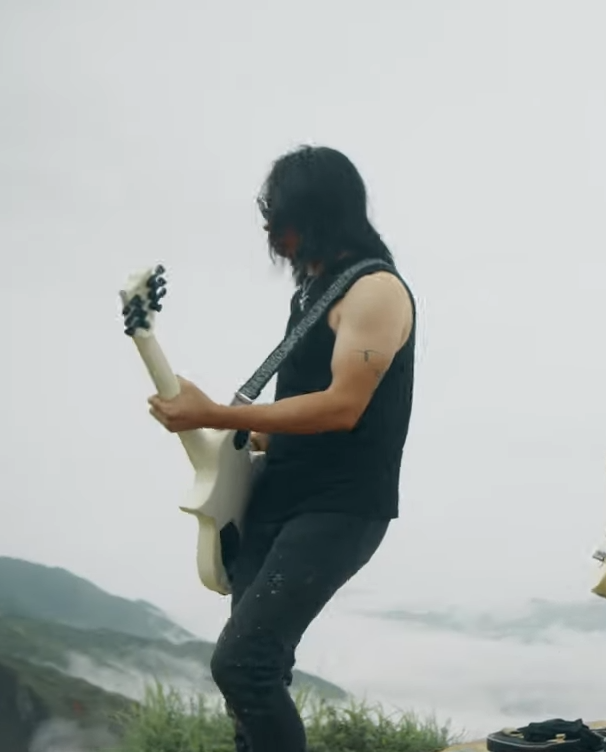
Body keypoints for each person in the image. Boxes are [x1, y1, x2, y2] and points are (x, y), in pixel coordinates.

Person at [146, 145, 417, 752]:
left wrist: (216, 413)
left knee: (242, 666)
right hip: (278, 495)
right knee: (257, 674)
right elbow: (303, 411)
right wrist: (232, 435)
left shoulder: (375, 291)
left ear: (319, 215)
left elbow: (343, 406)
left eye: (281, 221)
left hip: (340, 507)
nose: (273, 236)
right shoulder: (314, 294)